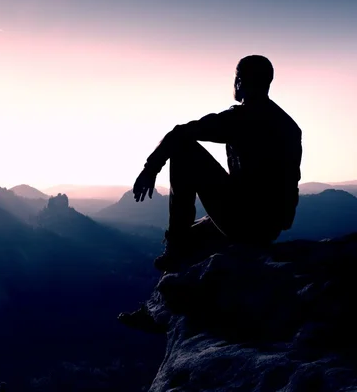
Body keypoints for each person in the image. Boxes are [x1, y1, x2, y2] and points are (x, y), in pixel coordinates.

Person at [118, 55, 302, 331]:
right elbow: (291, 183)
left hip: (246, 221)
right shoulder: (288, 125)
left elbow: (180, 134)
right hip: (268, 224)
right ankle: (160, 307)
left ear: (240, 81)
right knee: (190, 236)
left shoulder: (242, 118)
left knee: (183, 154)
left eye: (236, 78)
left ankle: (165, 288)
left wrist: (150, 168)